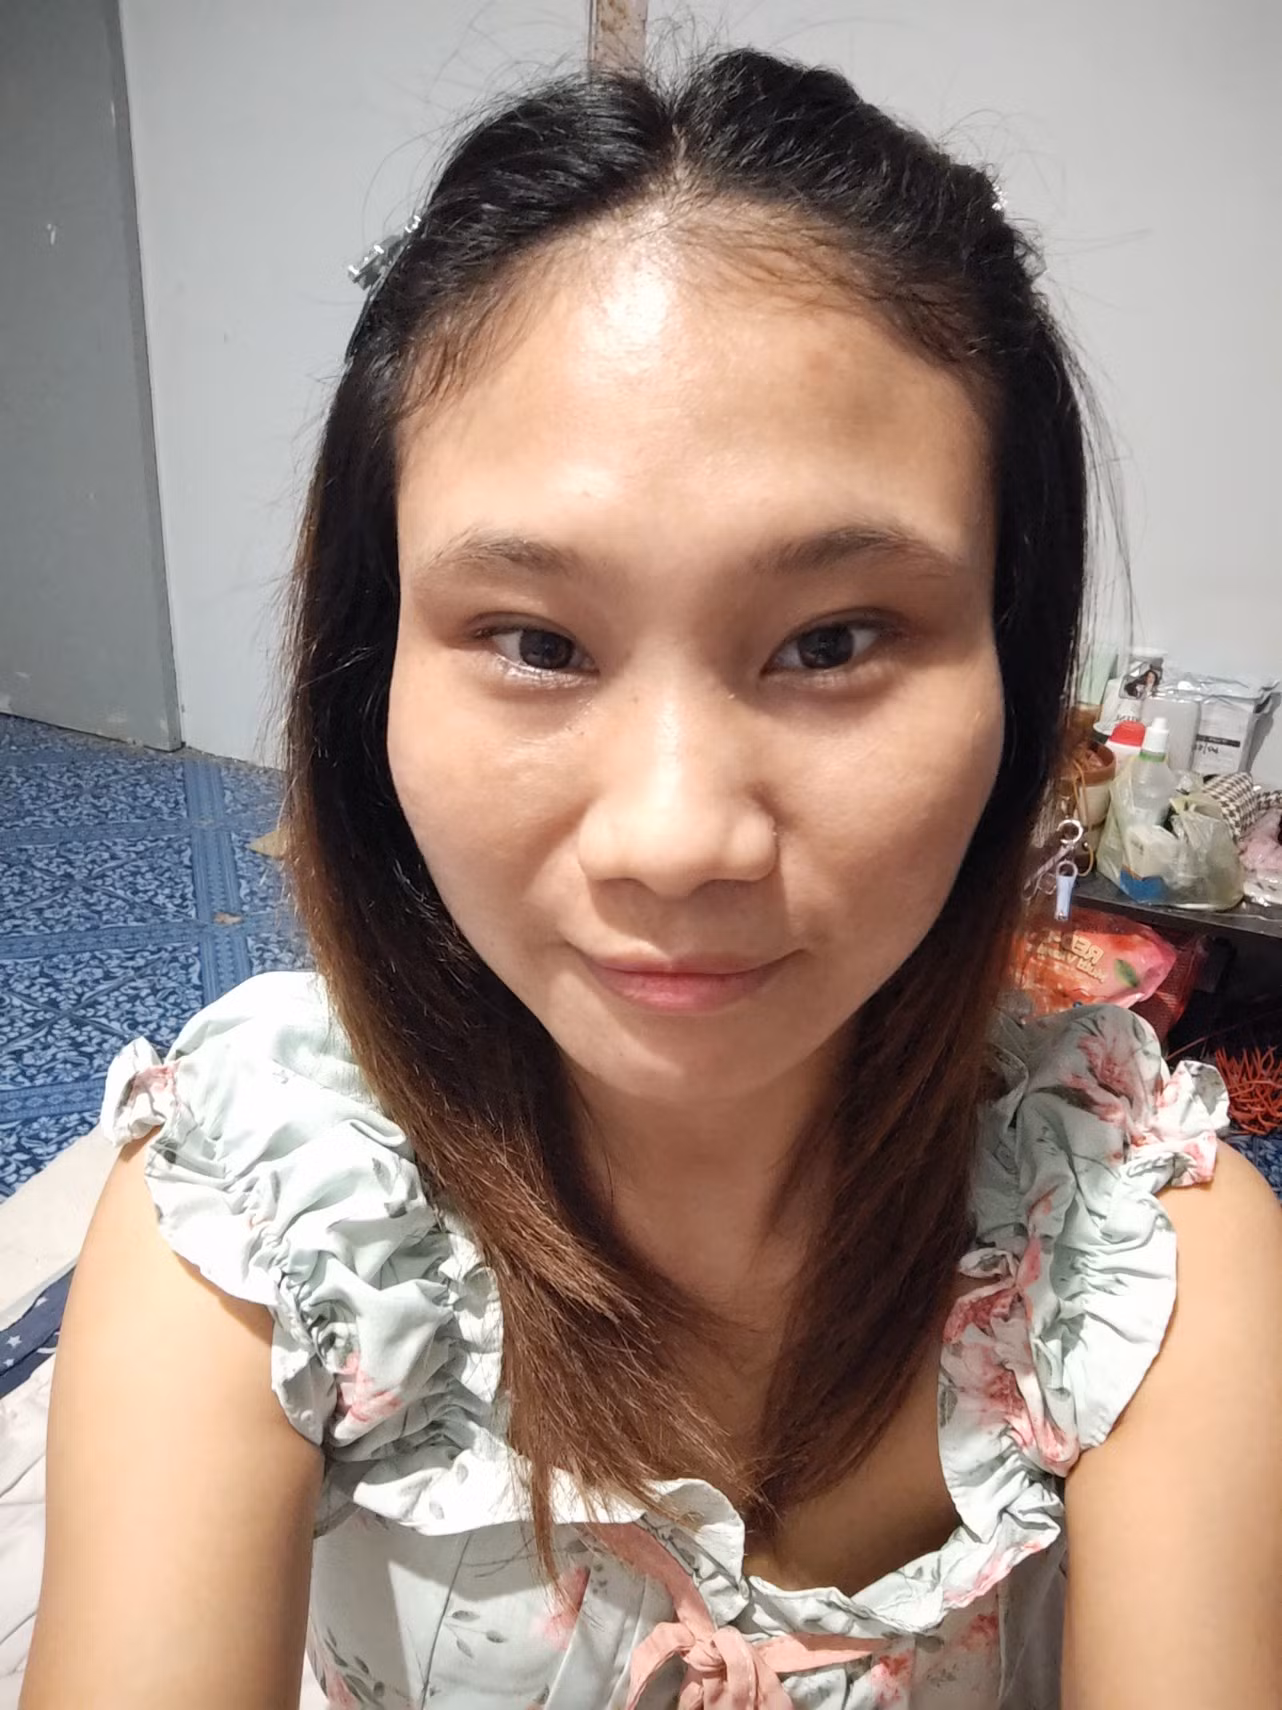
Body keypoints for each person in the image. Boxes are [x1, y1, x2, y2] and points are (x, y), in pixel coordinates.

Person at [21, 45, 1282, 1710]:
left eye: (832, 641)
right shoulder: (257, 1222)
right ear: (367, 672)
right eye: (537, 641)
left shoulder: (1147, 1263)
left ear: (1014, 667)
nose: (676, 838)